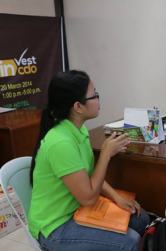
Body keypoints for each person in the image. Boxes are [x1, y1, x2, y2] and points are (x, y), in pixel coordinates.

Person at [29, 70, 150, 251]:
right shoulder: (61, 143)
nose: (99, 100)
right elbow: (88, 197)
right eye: (95, 95)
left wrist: (117, 197)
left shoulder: (78, 130)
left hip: (77, 209)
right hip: (55, 226)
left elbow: (90, 177)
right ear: (78, 106)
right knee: (129, 242)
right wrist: (106, 155)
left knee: (141, 219)